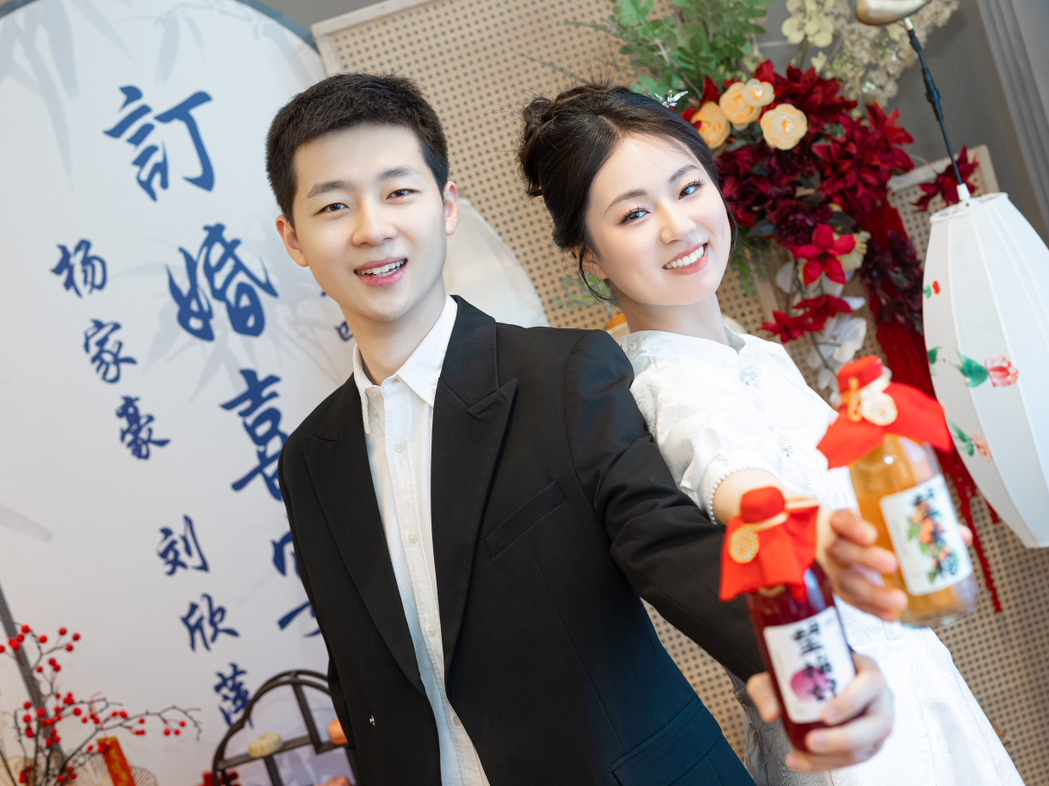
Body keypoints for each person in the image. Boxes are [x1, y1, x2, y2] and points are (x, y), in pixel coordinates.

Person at [267, 73, 892, 786]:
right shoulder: (310, 460)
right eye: (333, 205)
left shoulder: (563, 376)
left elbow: (674, 549)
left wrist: (817, 669)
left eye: (398, 192)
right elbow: (356, 671)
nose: (371, 229)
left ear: (447, 206)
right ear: (293, 238)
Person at [517, 83, 1024, 786]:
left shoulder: (754, 353)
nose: (676, 226)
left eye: (687, 188)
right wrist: (817, 534)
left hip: (912, 692)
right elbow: (744, 493)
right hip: (848, 727)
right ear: (591, 257)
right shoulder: (668, 386)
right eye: (633, 213)